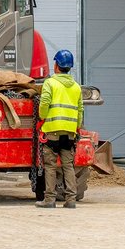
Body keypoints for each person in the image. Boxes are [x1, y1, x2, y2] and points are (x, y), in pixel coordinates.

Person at [36, 49, 84, 209]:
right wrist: (77, 127)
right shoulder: (76, 87)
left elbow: (44, 103)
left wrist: (42, 117)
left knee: (50, 165)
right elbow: (80, 110)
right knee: (68, 165)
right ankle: (71, 200)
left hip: (52, 130)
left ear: (56, 65)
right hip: (70, 132)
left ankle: (50, 200)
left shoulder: (50, 83)